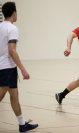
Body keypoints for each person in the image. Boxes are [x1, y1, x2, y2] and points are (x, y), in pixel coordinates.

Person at [0, 2, 38, 132]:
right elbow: (12, 50)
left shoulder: (0, 26)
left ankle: (22, 124)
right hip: (6, 68)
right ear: (14, 13)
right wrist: (23, 68)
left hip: (6, 67)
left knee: (14, 95)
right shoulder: (12, 29)